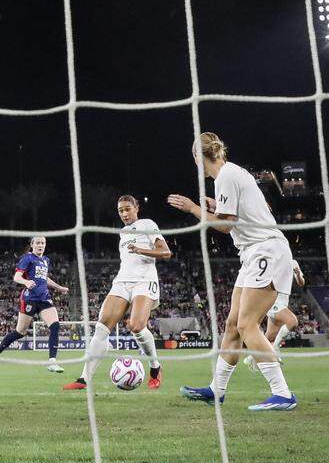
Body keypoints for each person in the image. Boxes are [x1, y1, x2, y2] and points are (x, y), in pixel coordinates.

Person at [171, 132, 297, 410]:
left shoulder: (226, 176)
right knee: (232, 325)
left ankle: (283, 393)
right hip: (254, 253)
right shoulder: (231, 174)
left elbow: (226, 226)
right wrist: (217, 207)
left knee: (246, 324)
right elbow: (248, 211)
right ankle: (217, 390)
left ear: (198, 158)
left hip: (265, 249)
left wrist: (193, 209)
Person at [64, 195, 171, 391]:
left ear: (136, 207)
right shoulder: (123, 232)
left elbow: (165, 252)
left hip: (145, 280)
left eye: (127, 209)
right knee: (102, 327)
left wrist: (140, 250)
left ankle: (155, 367)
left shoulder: (147, 224)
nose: (124, 213)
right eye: (121, 210)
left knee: (136, 326)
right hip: (122, 281)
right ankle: (83, 379)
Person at [0, 237, 69, 373]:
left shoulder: (45, 260)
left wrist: (59, 287)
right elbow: (16, 277)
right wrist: (26, 282)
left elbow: (45, 278)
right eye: (37, 243)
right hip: (29, 299)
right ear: (32, 245)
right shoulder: (27, 258)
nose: (40, 245)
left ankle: (52, 362)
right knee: (20, 332)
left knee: (55, 326)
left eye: (43, 243)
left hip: (44, 299)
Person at [243, 261, 306, 372]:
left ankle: (250, 358)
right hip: (272, 301)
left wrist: (298, 274)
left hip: (283, 302)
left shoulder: (293, 263)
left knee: (269, 337)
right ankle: (275, 348)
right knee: (293, 322)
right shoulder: (272, 260)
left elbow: (301, 283)